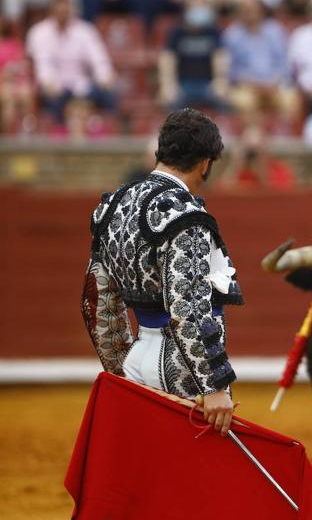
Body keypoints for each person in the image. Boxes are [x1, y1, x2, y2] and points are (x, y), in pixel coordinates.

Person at [82, 108, 242, 429]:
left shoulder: (113, 206)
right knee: (194, 472)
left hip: (137, 358)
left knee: (148, 471)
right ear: (205, 163)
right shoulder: (186, 215)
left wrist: (120, 368)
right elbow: (188, 306)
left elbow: (97, 299)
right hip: (181, 368)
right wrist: (213, 386)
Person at [26, 0, 117, 125]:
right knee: (54, 100)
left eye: (66, 10)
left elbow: (99, 60)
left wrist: (105, 77)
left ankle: (108, 139)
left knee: (109, 95)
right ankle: (58, 138)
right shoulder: (39, 33)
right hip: (55, 88)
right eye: (59, 10)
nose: (62, 13)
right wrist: (49, 84)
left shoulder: (85, 30)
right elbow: (42, 64)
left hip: (82, 86)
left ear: (71, 9)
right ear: (52, 10)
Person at [222, 0, 297, 127]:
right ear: (239, 12)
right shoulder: (232, 34)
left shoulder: (274, 31)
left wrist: (273, 81)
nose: (250, 13)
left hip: (273, 85)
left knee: (291, 99)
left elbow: (284, 63)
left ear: (261, 10)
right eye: (245, 10)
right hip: (246, 86)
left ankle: (283, 140)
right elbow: (231, 70)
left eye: (253, 9)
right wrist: (254, 83)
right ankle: (254, 140)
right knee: (244, 102)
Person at [158, 0, 228, 113]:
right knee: (170, 104)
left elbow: (220, 57)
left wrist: (220, 81)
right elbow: (167, 59)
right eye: (196, 6)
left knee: (224, 103)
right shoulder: (177, 32)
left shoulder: (212, 32)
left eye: (202, 6)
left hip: (208, 85)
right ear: (186, 10)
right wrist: (169, 85)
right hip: (183, 85)